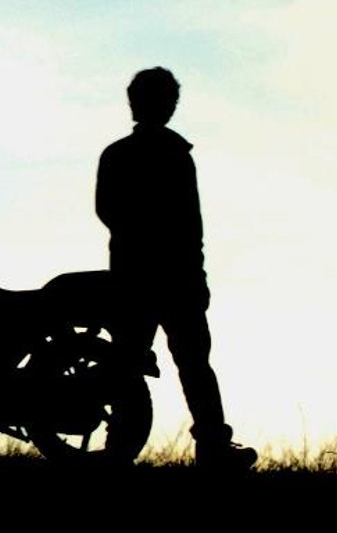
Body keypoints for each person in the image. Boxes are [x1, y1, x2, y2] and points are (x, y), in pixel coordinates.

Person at [95, 68, 255, 469]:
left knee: (133, 363)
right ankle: (212, 447)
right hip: (170, 277)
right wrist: (193, 271)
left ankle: (121, 447)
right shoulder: (174, 155)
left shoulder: (119, 154)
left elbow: (109, 212)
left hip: (138, 275)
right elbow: (189, 223)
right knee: (188, 365)